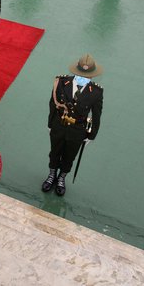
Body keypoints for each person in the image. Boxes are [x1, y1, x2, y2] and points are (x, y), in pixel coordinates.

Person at [43, 54, 103, 196]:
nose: (82, 77)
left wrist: (91, 135)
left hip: (77, 130)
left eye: (86, 75)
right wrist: (50, 124)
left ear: (92, 76)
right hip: (59, 124)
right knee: (54, 152)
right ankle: (52, 175)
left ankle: (61, 178)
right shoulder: (62, 82)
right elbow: (53, 104)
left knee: (69, 156)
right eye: (80, 74)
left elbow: (96, 114)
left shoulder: (96, 92)